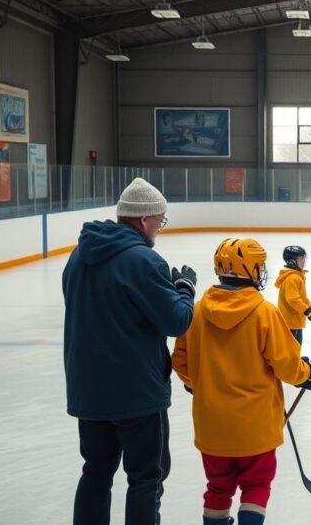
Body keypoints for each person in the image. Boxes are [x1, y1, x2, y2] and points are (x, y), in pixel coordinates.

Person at [62, 176, 197, 525]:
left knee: (95, 471)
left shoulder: (78, 257)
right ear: (143, 220)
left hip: (89, 391)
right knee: (145, 478)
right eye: (160, 221)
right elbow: (177, 321)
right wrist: (184, 288)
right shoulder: (143, 261)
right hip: (136, 394)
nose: (160, 229)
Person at [172, 238, 311, 525]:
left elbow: (180, 361)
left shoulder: (198, 310)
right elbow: (288, 365)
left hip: (212, 426)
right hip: (256, 427)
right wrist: (309, 374)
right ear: (251, 269)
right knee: (256, 485)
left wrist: (199, 385)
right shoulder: (264, 312)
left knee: (218, 487)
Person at [274, 245, 311, 345]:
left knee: (295, 349)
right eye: (301, 259)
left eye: (304, 258)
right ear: (291, 261)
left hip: (294, 322)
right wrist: (308, 311)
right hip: (290, 323)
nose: (304, 261)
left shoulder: (297, 276)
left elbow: (303, 298)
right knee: (292, 350)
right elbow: (293, 299)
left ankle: (296, 360)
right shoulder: (292, 278)